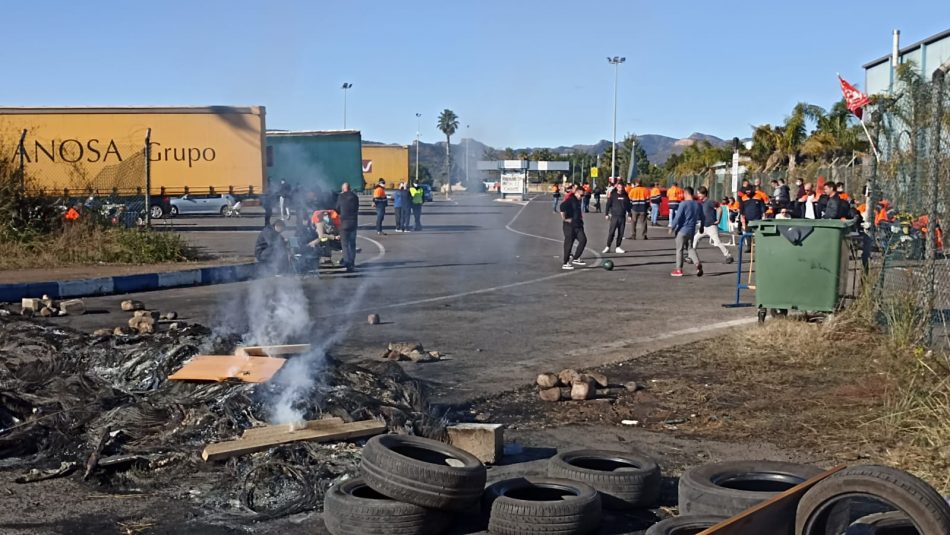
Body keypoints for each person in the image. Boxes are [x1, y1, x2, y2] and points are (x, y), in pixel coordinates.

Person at [692, 187, 734, 263]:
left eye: (699, 193)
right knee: (695, 238)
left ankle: (728, 255)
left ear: (704, 194)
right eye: (697, 193)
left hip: (711, 226)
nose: (698, 195)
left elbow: (719, 209)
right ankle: (692, 256)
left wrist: (719, 219)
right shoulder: (701, 203)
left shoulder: (710, 202)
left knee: (717, 243)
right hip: (704, 226)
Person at [669, 187, 703, 277]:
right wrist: (702, 226)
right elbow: (702, 217)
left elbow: (678, 217)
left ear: (686, 193)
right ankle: (697, 263)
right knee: (690, 248)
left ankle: (679, 269)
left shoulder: (683, 204)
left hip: (682, 230)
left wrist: (672, 227)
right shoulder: (697, 204)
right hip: (691, 230)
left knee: (679, 249)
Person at [560, 186, 587, 270]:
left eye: (583, 196)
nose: (582, 197)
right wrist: (565, 219)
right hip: (569, 226)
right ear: (577, 192)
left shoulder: (578, 201)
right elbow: (562, 207)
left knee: (583, 240)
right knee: (569, 243)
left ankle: (576, 258)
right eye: (581, 195)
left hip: (578, 225)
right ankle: (565, 262)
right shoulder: (571, 199)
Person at [335, 182, 359, 272]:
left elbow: (337, 209)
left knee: (344, 245)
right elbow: (356, 208)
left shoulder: (341, 197)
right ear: (350, 188)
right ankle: (352, 263)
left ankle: (347, 264)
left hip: (344, 223)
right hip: (353, 223)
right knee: (352, 244)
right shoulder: (355, 197)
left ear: (343, 189)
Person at [603, 182, 629, 254]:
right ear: (617, 187)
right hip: (614, 216)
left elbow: (628, 206)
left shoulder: (625, 195)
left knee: (621, 233)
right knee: (611, 232)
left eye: (621, 187)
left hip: (622, 217)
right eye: (619, 187)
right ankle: (608, 246)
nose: (620, 188)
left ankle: (618, 247)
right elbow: (608, 204)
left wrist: (629, 215)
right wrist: (606, 214)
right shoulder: (613, 195)